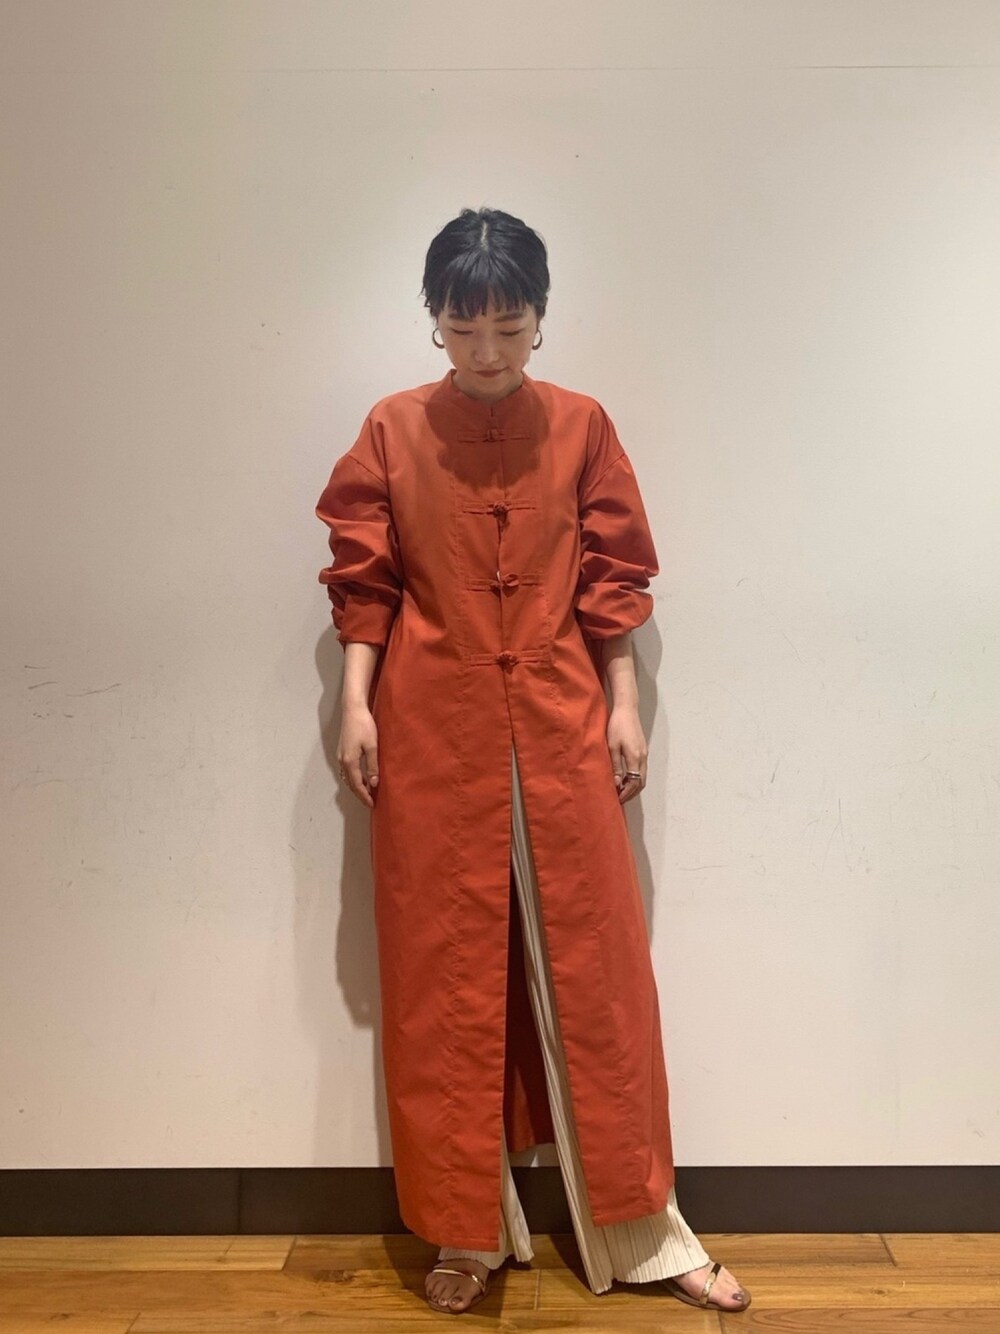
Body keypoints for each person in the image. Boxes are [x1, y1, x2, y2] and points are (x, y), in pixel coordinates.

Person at [314, 206, 751, 1316]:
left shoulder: (584, 425)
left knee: (598, 974)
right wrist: (355, 703)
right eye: (463, 330)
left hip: (560, 723)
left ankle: (648, 1230)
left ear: (541, 319)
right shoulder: (390, 429)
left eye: (508, 328)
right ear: (434, 322)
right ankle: (466, 1231)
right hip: (431, 729)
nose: (486, 352)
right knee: (443, 982)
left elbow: (613, 576)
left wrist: (624, 701)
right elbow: (365, 580)